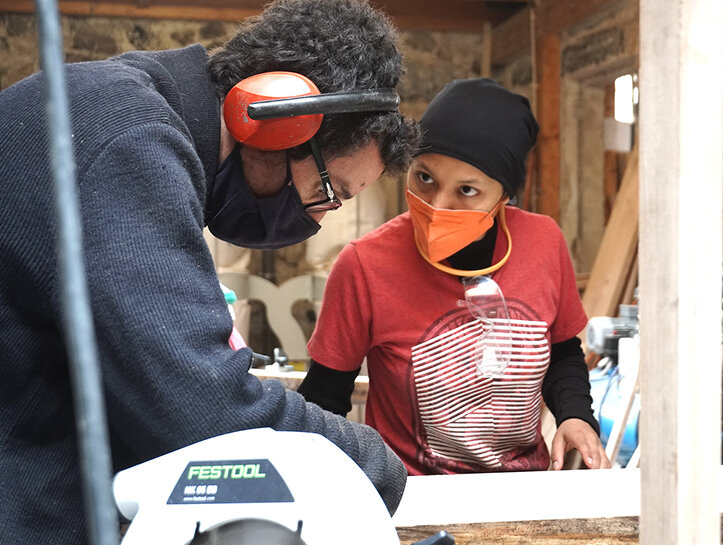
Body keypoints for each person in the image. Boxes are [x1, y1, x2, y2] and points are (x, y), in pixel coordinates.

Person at [0, 0, 420, 542]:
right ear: (274, 116)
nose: (317, 218)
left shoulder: (125, 108)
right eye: (327, 189)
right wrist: (371, 459)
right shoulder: (126, 139)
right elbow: (204, 413)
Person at [299, 78, 610, 475]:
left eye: (467, 190)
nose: (438, 204)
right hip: (411, 494)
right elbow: (324, 397)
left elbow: (563, 352)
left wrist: (575, 415)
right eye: (424, 178)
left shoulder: (543, 243)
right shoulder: (364, 266)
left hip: (523, 490)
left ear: (504, 196)